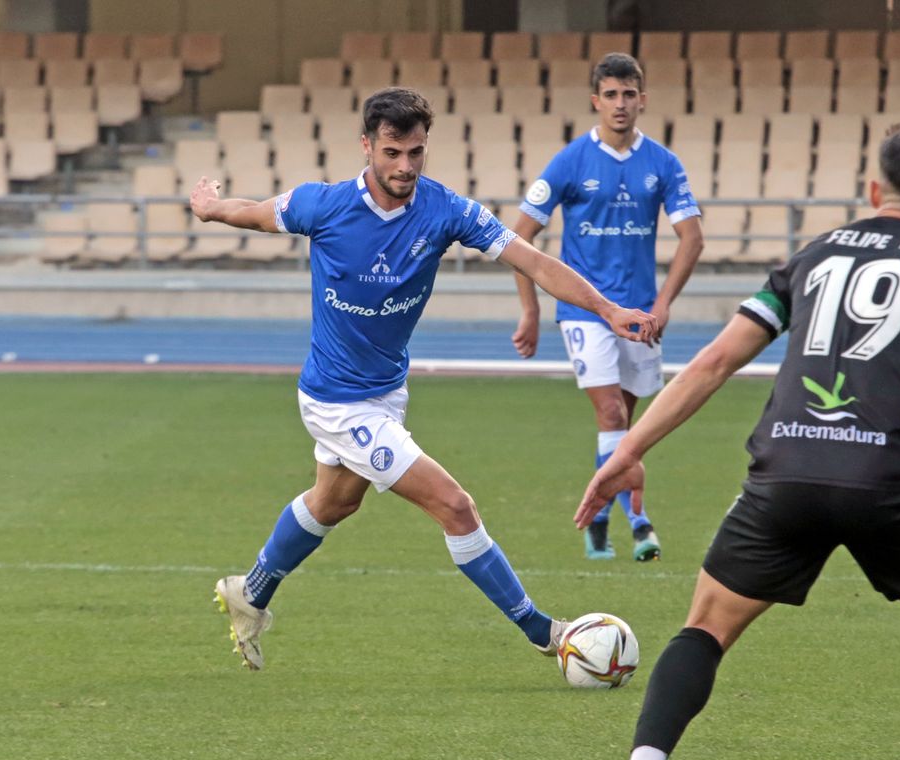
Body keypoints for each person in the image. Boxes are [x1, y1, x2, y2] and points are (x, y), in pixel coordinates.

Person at [557, 121, 900, 760]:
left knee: (705, 626)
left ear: (874, 189)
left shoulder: (814, 256)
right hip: (886, 481)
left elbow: (714, 362)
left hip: (784, 472)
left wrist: (626, 452)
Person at [189, 87, 657, 672]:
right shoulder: (325, 205)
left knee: (333, 505)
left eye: (415, 153)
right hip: (337, 400)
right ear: (366, 146)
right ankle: (548, 633)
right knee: (456, 507)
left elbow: (533, 261)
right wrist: (210, 207)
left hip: (386, 391)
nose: (404, 167)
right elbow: (253, 213)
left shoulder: (446, 211)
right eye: (391, 153)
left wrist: (608, 310)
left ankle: (250, 592)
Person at [510, 52, 704, 563]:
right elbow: (521, 236)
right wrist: (530, 310)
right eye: (611, 95)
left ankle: (597, 520)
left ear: (643, 99)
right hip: (585, 312)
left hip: (640, 316)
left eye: (629, 94)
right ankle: (640, 523)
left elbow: (693, 238)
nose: (620, 104)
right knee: (612, 414)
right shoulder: (571, 161)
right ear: (596, 100)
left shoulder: (662, 163)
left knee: (626, 434)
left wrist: (663, 304)